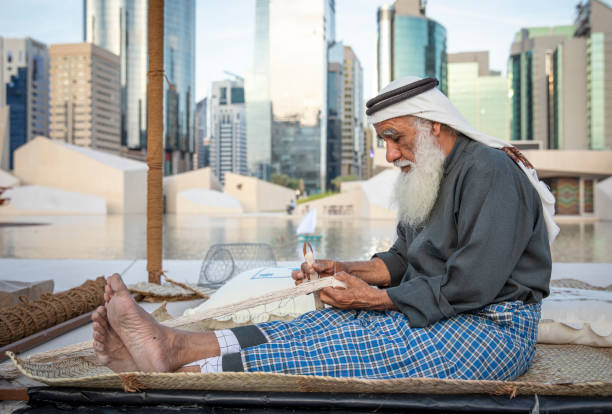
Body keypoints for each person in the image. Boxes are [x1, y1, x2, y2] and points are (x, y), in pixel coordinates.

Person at [92, 76, 554, 380]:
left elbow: (473, 284)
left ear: (434, 126)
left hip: (491, 327)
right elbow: (402, 260)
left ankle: (185, 372)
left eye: (396, 138)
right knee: (324, 323)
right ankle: (173, 346)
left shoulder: (489, 171)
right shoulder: (428, 174)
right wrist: (342, 272)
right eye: (384, 142)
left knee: (359, 348)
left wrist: (376, 300)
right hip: (439, 308)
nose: (390, 155)